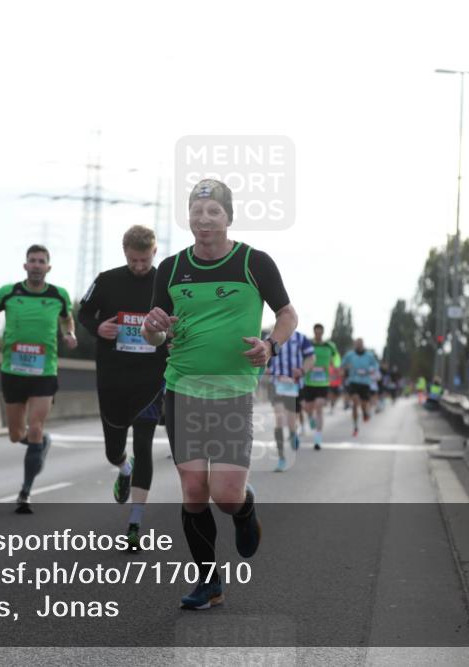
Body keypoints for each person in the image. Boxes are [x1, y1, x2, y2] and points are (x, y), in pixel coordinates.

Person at [142, 179, 297, 610]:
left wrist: (271, 345)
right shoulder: (171, 268)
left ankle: (245, 510)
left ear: (229, 217)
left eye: (213, 211)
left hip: (232, 392)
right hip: (182, 388)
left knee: (226, 496)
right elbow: (156, 334)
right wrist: (153, 329)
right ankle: (209, 583)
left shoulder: (253, 263)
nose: (204, 219)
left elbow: (287, 313)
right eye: (197, 211)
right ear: (188, 217)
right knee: (194, 489)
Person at [78, 225, 166, 549]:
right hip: (113, 377)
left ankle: (134, 523)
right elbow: (84, 314)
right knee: (113, 450)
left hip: (151, 379)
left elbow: (181, 320)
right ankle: (123, 468)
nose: (139, 266)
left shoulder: (165, 283)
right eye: (133, 260)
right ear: (124, 253)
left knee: (144, 446)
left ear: (154, 252)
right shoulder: (107, 280)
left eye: (144, 260)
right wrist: (98, 327)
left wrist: (171, 337)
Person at [0, 245, 77, 514]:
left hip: (45, 372)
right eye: (32, 261)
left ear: (48, 267)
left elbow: (67, 320)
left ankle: (25, 492)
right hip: (13, 371)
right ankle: (40, 443)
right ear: (25, 266)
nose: (36, 265)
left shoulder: (59, 295)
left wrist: (70, 334)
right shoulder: (8, 292)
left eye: (41, 261)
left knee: (35, 427)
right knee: (16, 435)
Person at [265, 331, 315, 471]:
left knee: (291, 422)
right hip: (277, 384)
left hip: (294, 385)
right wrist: (267, 368)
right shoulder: (269, 338)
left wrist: (302, 371)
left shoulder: (300, 338)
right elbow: (263, 357)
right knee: (279, 420)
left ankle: (293, 434)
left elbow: (311, 357)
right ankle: (281, 458)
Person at [300, 324, 340, 451]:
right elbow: (300, 357)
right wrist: (304, 367)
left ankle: (318, 438)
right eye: (316, 332)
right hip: (309, 382)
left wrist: (334, 366)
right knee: (307, 408)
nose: (318, 334)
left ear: (322, 333)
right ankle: (310, 418)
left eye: (320, 332)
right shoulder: (308, 344)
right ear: (314, 332)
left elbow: (337, 359)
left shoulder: (330, 346)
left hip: (323, 383)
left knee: (319, 407)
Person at [341, 338, 380, 436]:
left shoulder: (369, 355)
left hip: (365, 383)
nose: (358, 345)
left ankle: (365, 413)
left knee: (363, 404)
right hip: (353, 382)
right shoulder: (350, 355)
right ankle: (355, 426)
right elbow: (342, 364)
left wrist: (371, 369)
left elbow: (376, 365)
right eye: (357, 343)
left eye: (360, 343)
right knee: (355, 402)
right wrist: (345, 367)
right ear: (355, 344)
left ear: (363, 344)